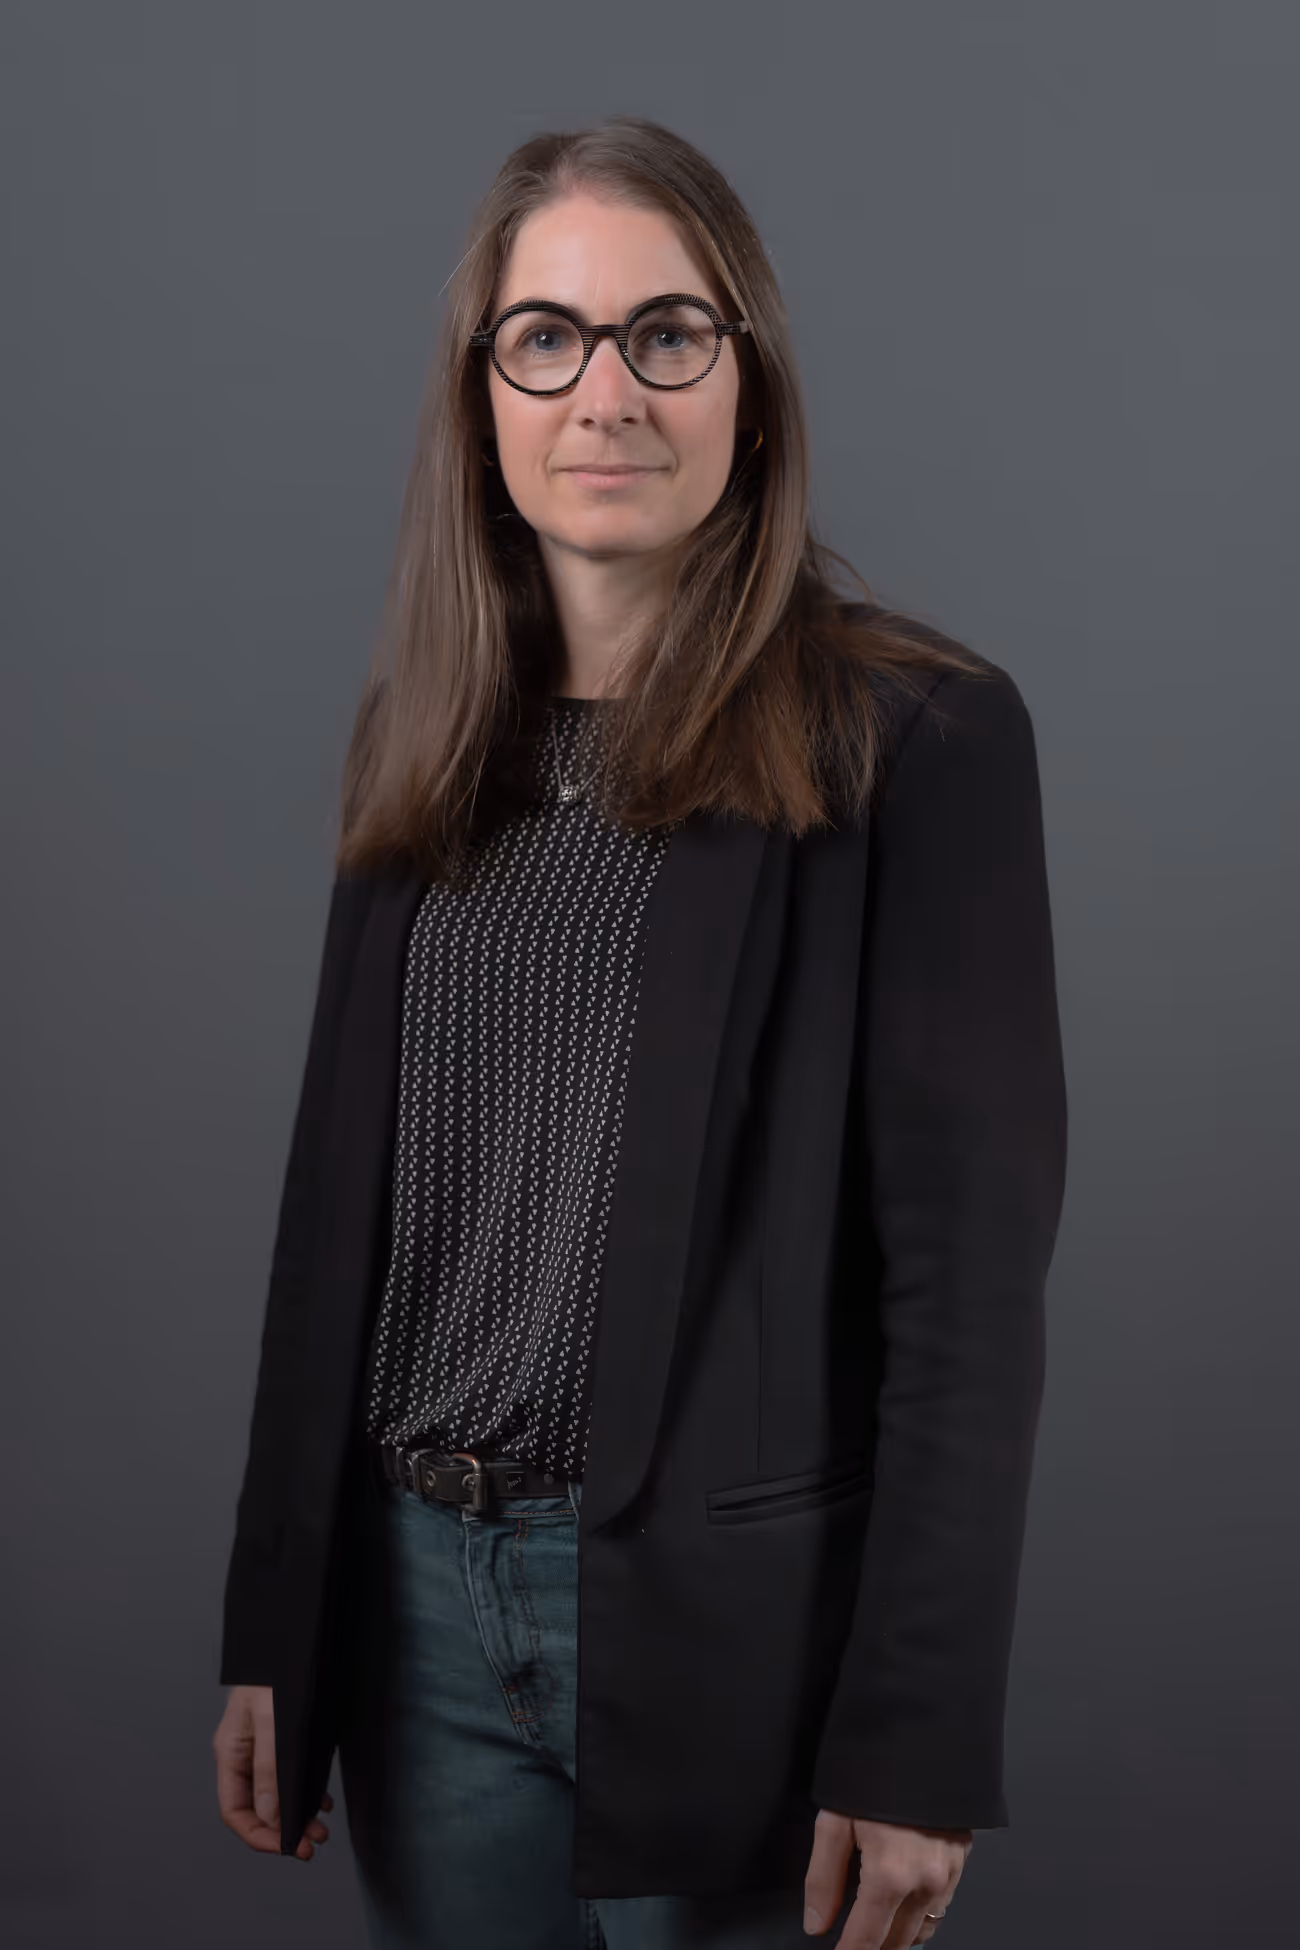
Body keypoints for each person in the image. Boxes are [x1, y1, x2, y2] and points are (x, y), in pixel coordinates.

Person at [212, 115, 1067, 1950]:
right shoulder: (420, 739)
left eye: (667, 334)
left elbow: (969, 1298)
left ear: (748, 389)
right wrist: (276, 1622)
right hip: (413, 1607)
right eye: (549, 339)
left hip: (729, 1632)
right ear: (484, 399)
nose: (607, 391)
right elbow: (332, 1230)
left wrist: (920, 1731)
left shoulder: (917, 740)